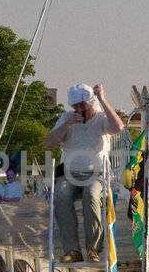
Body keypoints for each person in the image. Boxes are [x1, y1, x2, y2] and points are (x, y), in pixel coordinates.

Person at [44, 83, 124, 261]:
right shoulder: (66, 118)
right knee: (61, 196)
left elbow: (118, 127)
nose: (79, 109)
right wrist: (67, 124)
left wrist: (102, 99)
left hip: (96, 173)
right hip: (69, 173)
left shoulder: (102, 118)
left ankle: (93, 248)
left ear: (91, 103)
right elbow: (48, 143)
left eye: (83, 105)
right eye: (76, 106)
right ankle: (72, 250)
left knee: (91, 196)